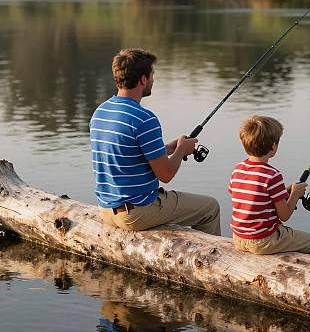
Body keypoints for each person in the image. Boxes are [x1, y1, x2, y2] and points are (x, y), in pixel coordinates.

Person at [90, 48, 220, 235]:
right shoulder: (144, 119)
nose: (153, 80)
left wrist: (167, 149)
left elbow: (128, 154)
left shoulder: (101, 112)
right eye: (152, 75)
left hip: (106, 211)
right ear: (143, 80)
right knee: (210, 208)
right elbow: (165, 175)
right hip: (137, 213)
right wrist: (181, 150)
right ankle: (212, 260)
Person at [228, 115, 310, 255]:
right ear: (273, 147)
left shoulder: (238, 169)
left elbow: (253, 197)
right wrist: (295, 194)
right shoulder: (272, 175)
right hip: (263, 240)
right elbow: (284, 215)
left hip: (238, 238)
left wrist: (284, 191)